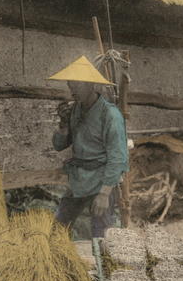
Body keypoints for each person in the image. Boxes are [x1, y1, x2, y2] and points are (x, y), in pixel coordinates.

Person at [48, 55, 129, 238]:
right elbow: (58, 145)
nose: (72, 89)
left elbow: (118, 158)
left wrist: (104, 194)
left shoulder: (110, 115)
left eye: (77, 84)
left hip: (101, 181)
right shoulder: (75, 110)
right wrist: (63, 123)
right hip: (79, 180)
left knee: (102, 235)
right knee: (58, 229)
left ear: (92, 85)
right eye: (70, 84)